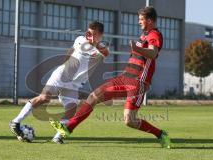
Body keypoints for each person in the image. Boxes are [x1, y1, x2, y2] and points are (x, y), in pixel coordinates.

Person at [50, 6, 171, 148]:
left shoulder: (154, 35)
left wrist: (136, 48)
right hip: (125, 77)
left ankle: (160, 134)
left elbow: (153, 53)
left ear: (149, 20)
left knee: (129, 121)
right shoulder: (144, 35)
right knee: (94, 96)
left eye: (141, 19)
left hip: (138, 82)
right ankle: (68, 128)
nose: (139, 22)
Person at [9, 21, 109, 143]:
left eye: (94, 35)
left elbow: (105, 53)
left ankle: (58, 136)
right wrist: (65, 63)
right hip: (61, 75)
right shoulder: (80, 39)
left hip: (74, 84)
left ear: (100, 35)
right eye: (89, 34)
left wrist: (95, 43)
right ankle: (16, 122)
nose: (91, 37)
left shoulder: (102, 49)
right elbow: (71, 50)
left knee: (72, 108)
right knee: (44, 98)